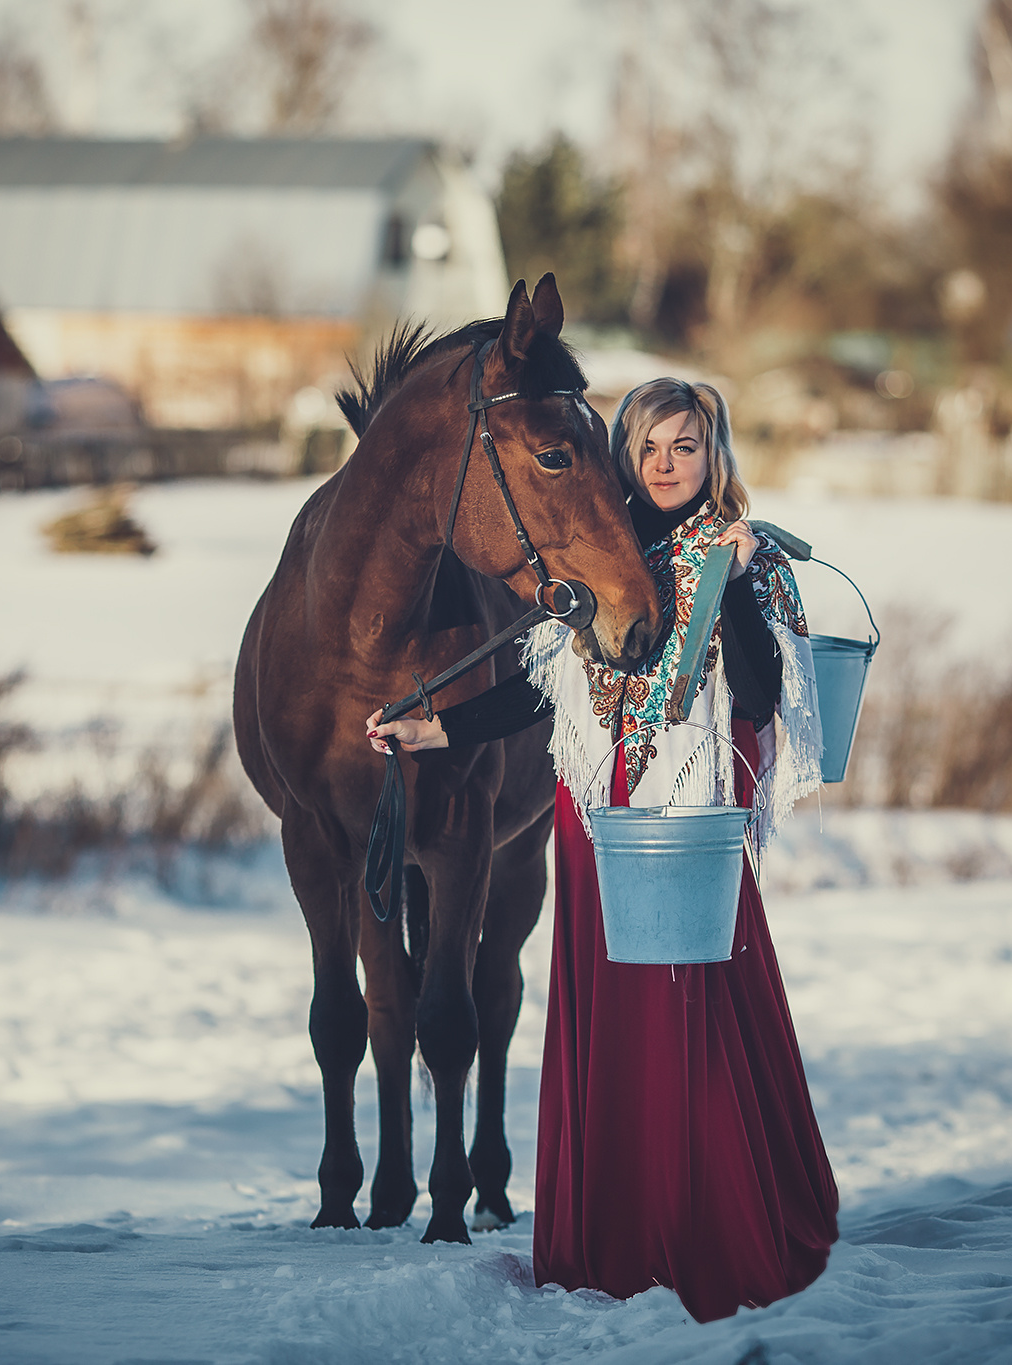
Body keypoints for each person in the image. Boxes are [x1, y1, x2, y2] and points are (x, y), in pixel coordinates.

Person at [366, 378, 839, 1322]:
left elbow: (757, 695)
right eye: (649, 446)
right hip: (595, 816)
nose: (665, 464)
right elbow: (543, 689)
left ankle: (707, 1223)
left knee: (689, 1010)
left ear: (714, 458)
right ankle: (610, 1230)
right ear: (623, 455)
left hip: (685, 812)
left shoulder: (738, 556)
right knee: (607, 1013)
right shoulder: (601, 554)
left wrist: (735, 586)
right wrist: (436, 729)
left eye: (685, 446)